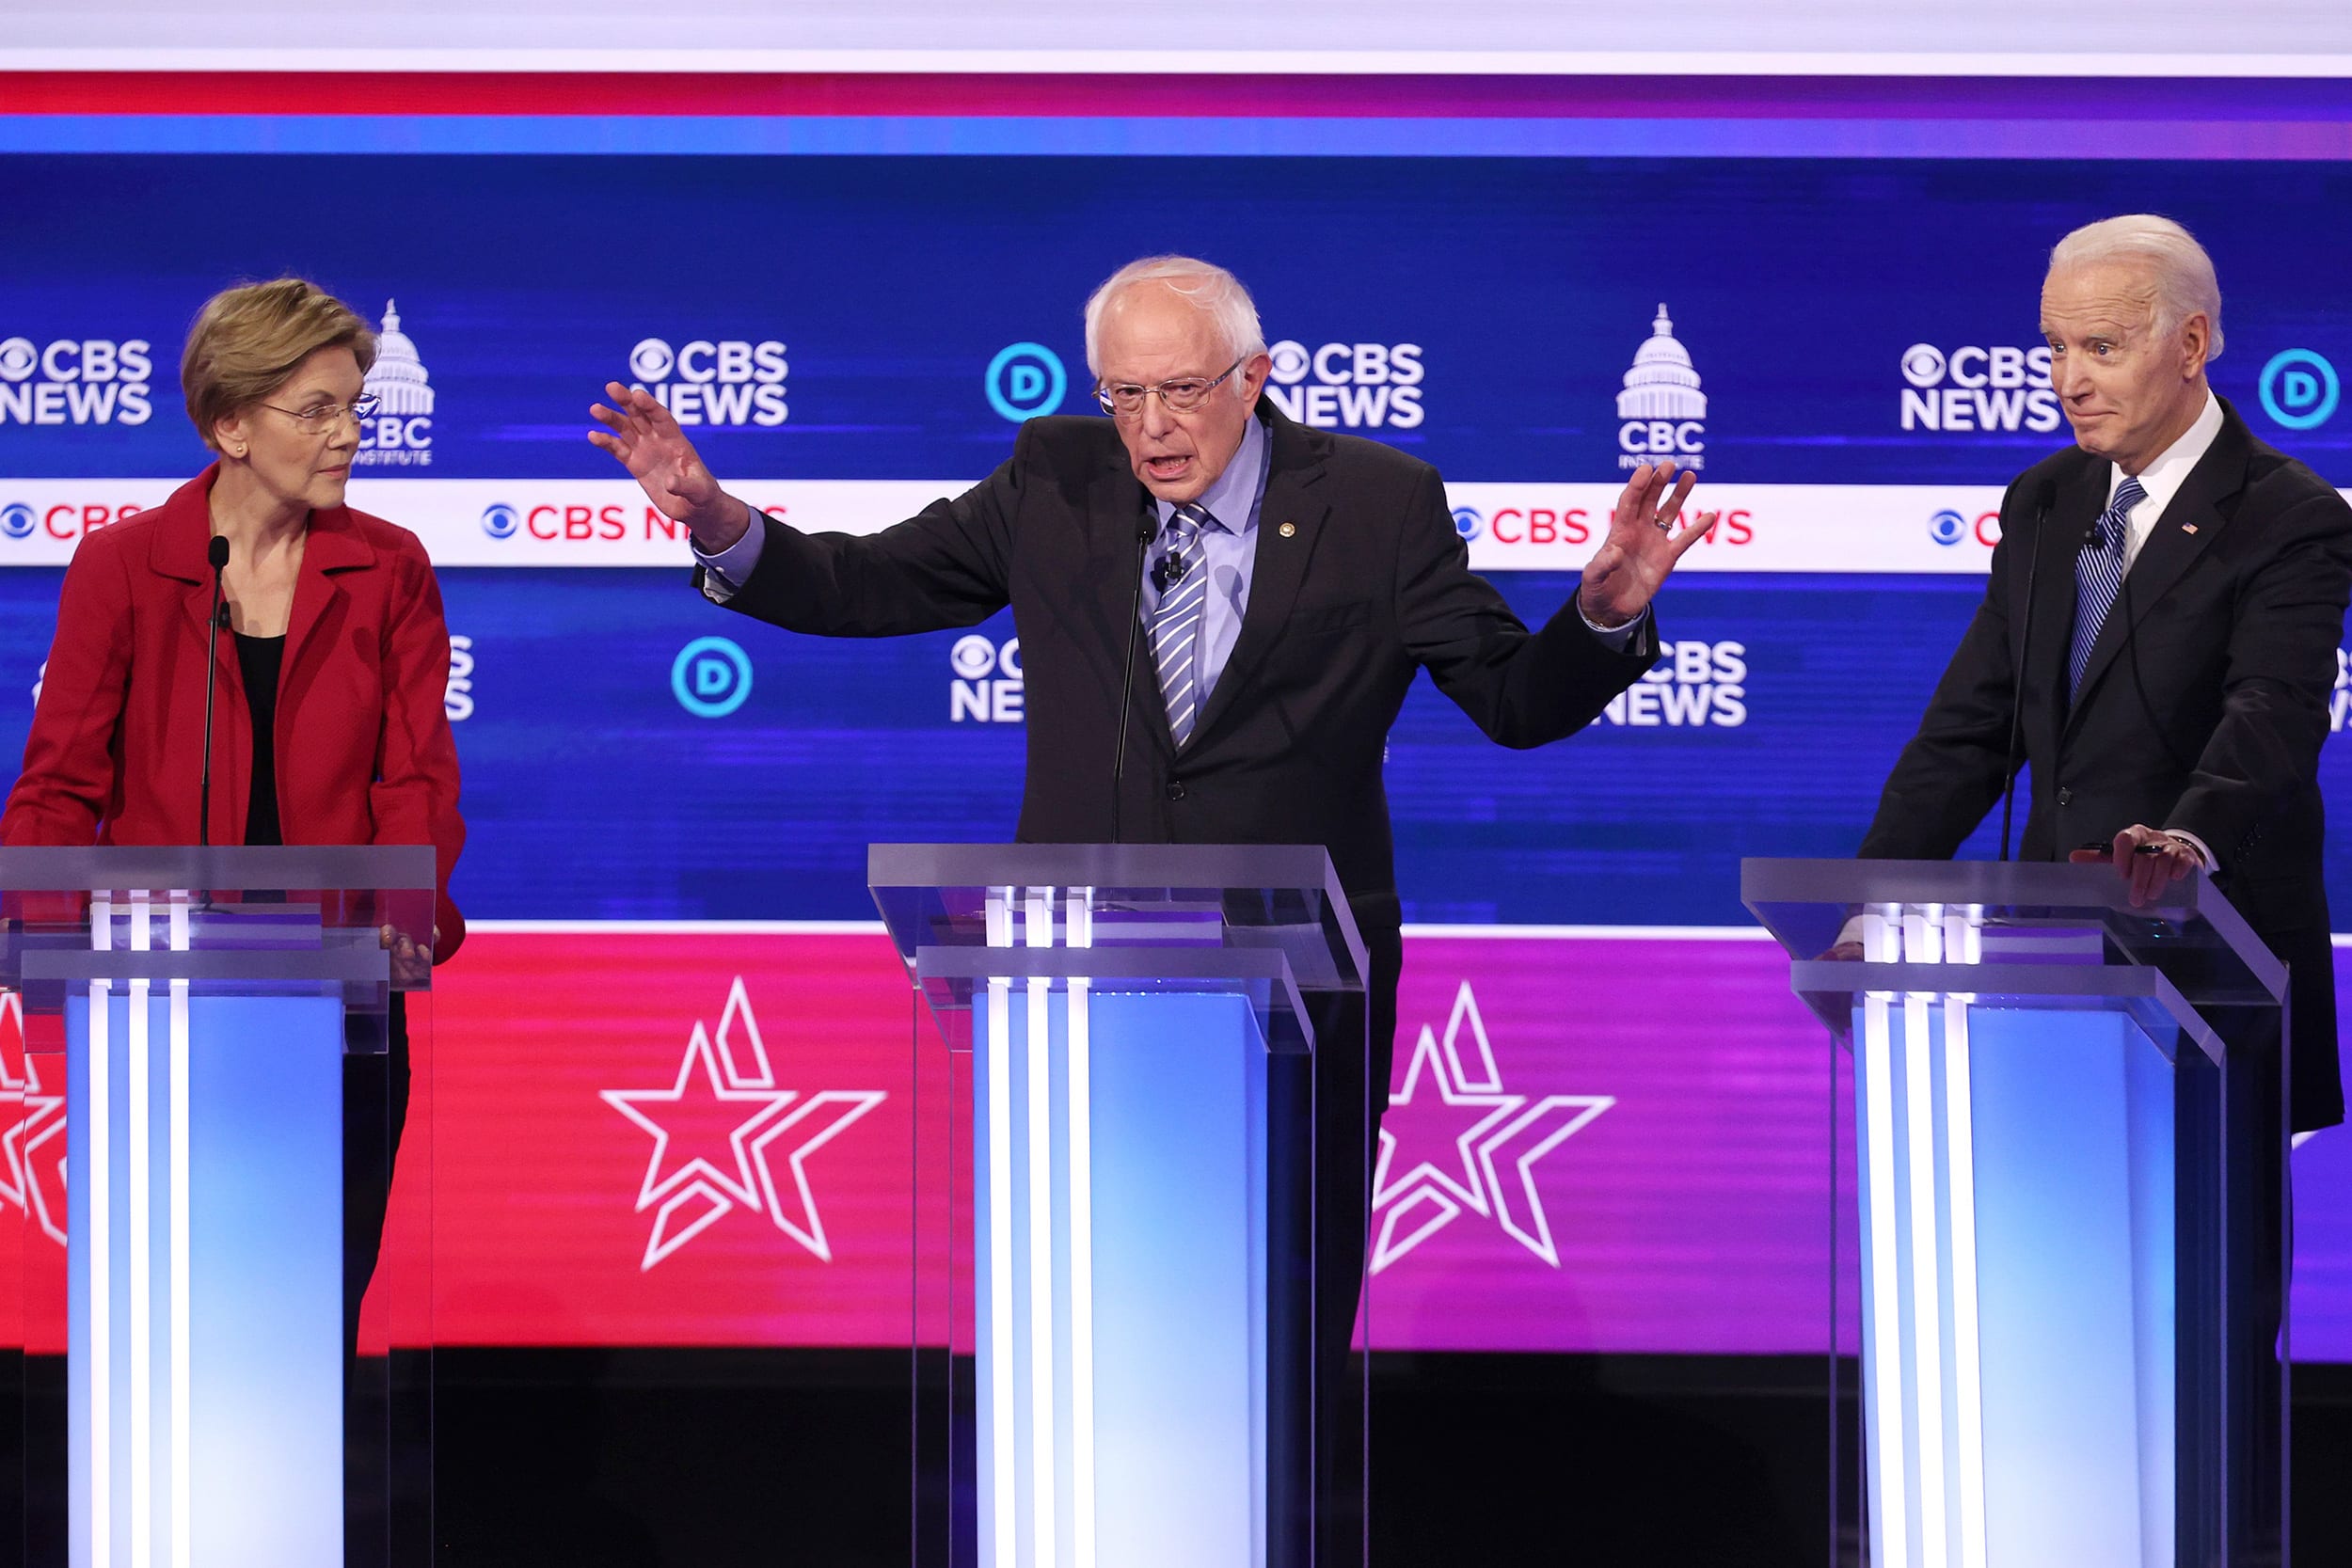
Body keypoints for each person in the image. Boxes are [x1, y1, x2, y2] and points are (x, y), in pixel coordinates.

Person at [591, 253, 1714, 1542]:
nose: (1151, 428)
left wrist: (1604, 614)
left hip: (1305, 997)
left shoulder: (1376, 504)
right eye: (1124, 394)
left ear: (1257, 378)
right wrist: (720, 519)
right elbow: (866, 585)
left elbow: (1515, 703)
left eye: (1180, 392)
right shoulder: (1057, 476)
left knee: (1286, 1317)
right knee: (1086, 1298)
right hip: (1086, 985)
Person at [1855, 214, 2352, 1555]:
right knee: (2045, 1298)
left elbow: (2269, 717)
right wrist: (1870, 890)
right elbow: (1973, 724)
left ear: (2193, 344)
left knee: (2205, 1311)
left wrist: (2179, 847)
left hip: (2208, 974)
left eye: (2104, 345)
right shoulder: (2048, 503)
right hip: (2045, 982)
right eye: (2056, 347)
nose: (2071, 376)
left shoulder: (2291, 517)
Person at [2, 277, 467, 1354]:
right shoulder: (125, 566)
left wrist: (404, 906)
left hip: (342, 988)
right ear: (231, 426)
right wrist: (37, 929)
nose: (350, 433)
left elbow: (416, 774)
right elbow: (61, 780)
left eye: (355, 405)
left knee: (312, 1317)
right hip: (163, 999)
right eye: (318, 411)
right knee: (172, 1317)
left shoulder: (388, 567)